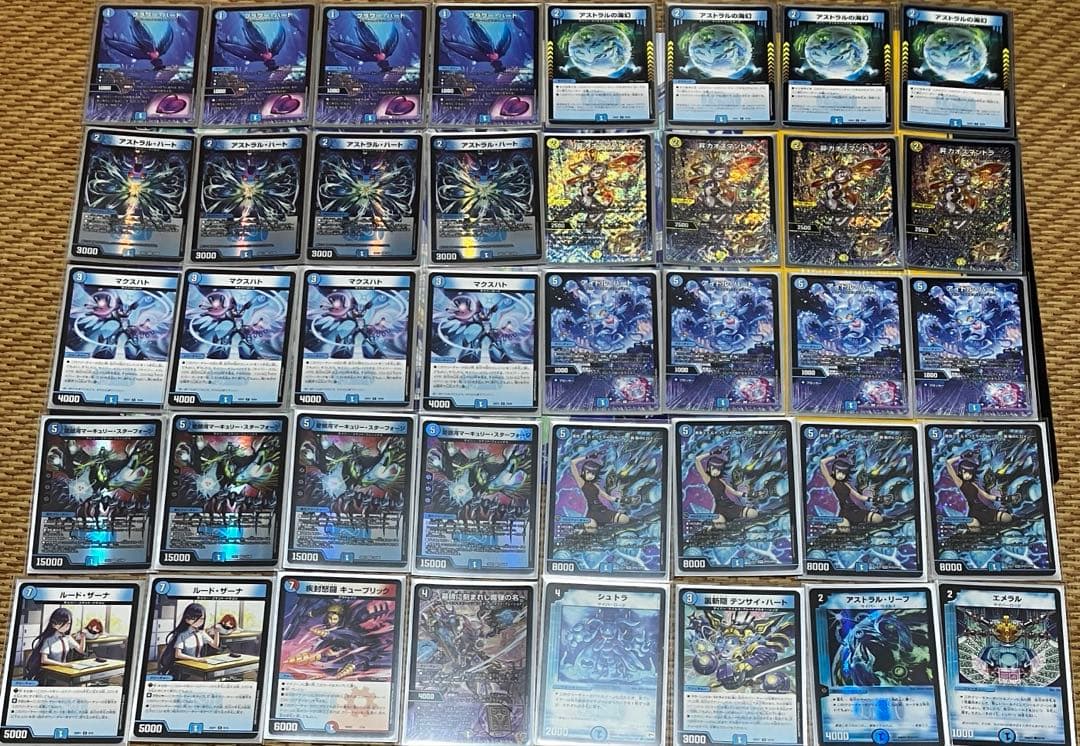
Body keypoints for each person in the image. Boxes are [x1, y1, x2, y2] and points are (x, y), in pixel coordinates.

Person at [945, 451, 1013, 531]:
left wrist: (1002, 499)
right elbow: (948, 462)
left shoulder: (973, 484)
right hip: (974, 513)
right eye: (965, 472)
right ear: (960, 472)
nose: (968, 475)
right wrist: (962, 456)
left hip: (984, 509)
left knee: (1007, 518)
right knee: (976, 528)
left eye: (970, 473)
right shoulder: (960, 482)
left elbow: (987, 496)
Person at [694, 446, 758, 526]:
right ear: (709, 468)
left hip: (730, 505)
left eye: (718, 469)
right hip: (719, 509)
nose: (716, 471)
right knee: (721, 526)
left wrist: (748, 494)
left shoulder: (721, 481)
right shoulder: (707, 478)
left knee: (753, 513)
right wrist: (712, 453)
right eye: (714, 469)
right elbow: (697, 459)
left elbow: (734, 492)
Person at [819, 452, 883, 532]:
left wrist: (874, 499)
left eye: (844, 473)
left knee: (878, 518)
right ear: (834, 471)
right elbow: (822, 462)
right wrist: (837, 456)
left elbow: (859, 496)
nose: (841, 475)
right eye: (839, 472)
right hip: (844, 513)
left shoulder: (846, 484)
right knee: (845, 531)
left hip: (854, 510)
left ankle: (860, 526)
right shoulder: (832, 482)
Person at [23, 608, 86, 682]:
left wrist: (83, 638)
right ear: (54, 624)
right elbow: (44, 660)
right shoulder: (47, 639)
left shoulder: (67, 637)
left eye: (68, 623)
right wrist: (62, 664)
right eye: (63, 623)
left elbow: (81, 650)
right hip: (48, 673)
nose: (66, 626)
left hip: (62, 671)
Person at [158, 603, 220, 677]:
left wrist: (217, 632)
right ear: (187, 619)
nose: (199, 621)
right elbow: (178, 654)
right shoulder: (182, 634)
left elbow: (215, 645)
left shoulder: (201, 633)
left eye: (202, 619)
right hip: (184, 668)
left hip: (198, 665)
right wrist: (196, 659)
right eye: (195, 618)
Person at [570, 454, 630, 532]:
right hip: (592, 514)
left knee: (625, 519)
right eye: (588, 473)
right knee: (592, 530)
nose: (591, 476)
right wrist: (588, 457)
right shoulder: (582, 483)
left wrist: (621, 500)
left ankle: (603, 524)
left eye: (593, 474)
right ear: (584, 472)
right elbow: (572, 462)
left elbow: (608, 497)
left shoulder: (595, 485)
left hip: (603, 510)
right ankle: (587, 526)